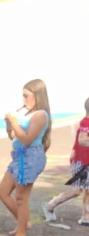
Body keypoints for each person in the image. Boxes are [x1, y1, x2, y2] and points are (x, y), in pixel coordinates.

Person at [0, 79, 51, 236]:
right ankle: (23, 223)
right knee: (3, 192)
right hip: (19, 156)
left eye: (26, 96)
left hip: (29, 157)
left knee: (21, 197)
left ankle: (21, 235)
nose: (23, 99)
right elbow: (14, 136)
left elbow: (27, 140)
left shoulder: (40, 115)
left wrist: (15, 122)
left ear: (37, 95)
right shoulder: (28, 115)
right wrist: (9, 125)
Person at [42, 97, 89, 226]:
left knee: (84, 189)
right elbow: (82, 140)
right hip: (81, 162)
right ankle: (51, 205)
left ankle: (85, 216)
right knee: (79, 190)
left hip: (84, 161)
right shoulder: (86, 123)